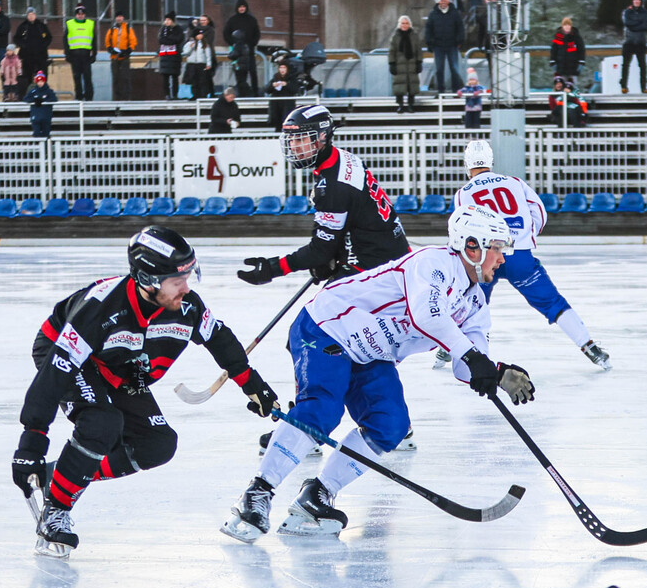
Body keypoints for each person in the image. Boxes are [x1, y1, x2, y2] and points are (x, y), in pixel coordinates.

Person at [221, 205, 535, 542]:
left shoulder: (474, 304)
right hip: (328, 327)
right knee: (322, 410)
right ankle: (257, 493)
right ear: (472, 246)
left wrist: (496, 372)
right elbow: (428, 316)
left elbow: (467, 363)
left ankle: (317, 494)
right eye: (497, 248)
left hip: (371, 354)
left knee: (390, 425)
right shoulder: (434, 264)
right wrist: (473, 358)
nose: (502, 259)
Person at [14, 226, 279, 557]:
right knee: (101, 423)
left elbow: (219, 339)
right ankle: (56, 509)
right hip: (65, 354)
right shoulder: (101, 308)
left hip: (119, 365)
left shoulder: (187, 306)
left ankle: (62, 474)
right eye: (177, 280)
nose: (187, 288)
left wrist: (253, 385)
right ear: (148, 280)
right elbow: (54, 376)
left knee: (157, 444)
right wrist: (31, 443)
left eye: (188, 276)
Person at [453, 140, 611, 370]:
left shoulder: (464, 193)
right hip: (519, 255)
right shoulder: (514, 182)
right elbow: (539, 212)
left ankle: (456, 351)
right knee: (552, 302)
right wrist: (525, 238)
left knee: (472, 305)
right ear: (491, 160)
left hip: (486, 257)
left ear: (466, 164)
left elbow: (462, 226)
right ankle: (590, 347)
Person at [238, 104, 410, 288]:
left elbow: (320, 250)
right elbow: (354, 219)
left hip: (377, 269)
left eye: (300, 139)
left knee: (321, 306)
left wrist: (273, 268)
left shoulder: (333, 187)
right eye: (291, 139)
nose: (293, 146)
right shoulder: (343, 158)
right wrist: (335, 254)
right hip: (390, 254)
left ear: (322, 137)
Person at [425, 0, 466, 94]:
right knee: (439, 69)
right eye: (441, 1)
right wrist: (430, 43)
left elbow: (460, 28)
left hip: (452, 45)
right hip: (438, 46)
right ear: (438, 2)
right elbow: (428, 29)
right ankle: (440, 91)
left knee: (454, 69)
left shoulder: (455, 13)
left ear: (448, 2)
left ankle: (456, 91)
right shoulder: (433, 14)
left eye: (444, 1)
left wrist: (459, 41)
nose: (443, 3)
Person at [223, 0, 260, 98]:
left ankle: (255, 93)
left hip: (249, 51)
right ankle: (242, 93)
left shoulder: (252, 20)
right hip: (237, 53)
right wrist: (233, 43)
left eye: (243, 7)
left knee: (252, 72)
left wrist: (252, 43)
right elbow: (226, 33)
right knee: (239, 74)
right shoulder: (232, 20)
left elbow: (257, 34)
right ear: (237, 8)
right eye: (240, 7)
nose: (242, 8)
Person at [14, 7, 52, 98]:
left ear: (35, 15)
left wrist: (43, 45)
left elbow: (49, 37)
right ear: (27, 16)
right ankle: (27, 96)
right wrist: (24, 45)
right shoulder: (23, 26)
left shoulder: (41, 26)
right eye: (29, 15)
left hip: (41, 56)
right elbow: (16, 38)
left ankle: (43, 95)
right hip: (27, 57)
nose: (31, 16)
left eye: (32, 14)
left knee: (42, 76)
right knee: (26, 77)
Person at [388, 15, 423, 113]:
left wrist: (419, 62)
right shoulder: (395, 37)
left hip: (412, 64)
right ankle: (400, 105)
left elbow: (418, 50)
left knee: (411, 86)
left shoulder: (414, 36)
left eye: (407, 23)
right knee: (399, 85)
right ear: (400, 24)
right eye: (403, 23)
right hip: (399, 65)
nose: (405, 25)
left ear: (409, 24)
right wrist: (392, 63)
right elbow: (391, 51)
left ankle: (410, 105)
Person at [64, 4, 96, 101]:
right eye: (78, 14)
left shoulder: (90, 24)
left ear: (84, 15)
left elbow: (94, 40)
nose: (80, 16)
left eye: (82, 14)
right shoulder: (70, 24)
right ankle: (79, 97)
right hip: (74, 55)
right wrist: (67, 54)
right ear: (76, 15)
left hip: (86, 56)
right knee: (77, 78)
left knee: (87, 78)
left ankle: (89, 98)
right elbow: (65, 41)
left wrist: (94, 54)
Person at [621, 0, 647, 93]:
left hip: (640, 42)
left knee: (642, 65)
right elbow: (627, 23)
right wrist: (639, 22)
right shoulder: (627, 12)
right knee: (625, 65)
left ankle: (643, 86)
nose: (636, 2)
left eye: (638, 0)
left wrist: (634, 25)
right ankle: (624, 85)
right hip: (629, 41)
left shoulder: (645, 12)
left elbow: (645, 26)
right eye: (635, 0)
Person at [104, 12, 137, 102]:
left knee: (126, 78)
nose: (119, 18)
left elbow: (133, 41)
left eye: (120, 16)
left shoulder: (128, 29)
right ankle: (116, 99)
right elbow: (107, 43)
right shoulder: (111, 30)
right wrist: (111, 50)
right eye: (117, 17)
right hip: (114, 58)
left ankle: (127, 99)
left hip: (124, 58)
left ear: (123, 18)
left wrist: (127, 51)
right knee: (116, 79)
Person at [263, 60, 300, 130]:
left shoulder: (292, 78)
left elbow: (295, 90)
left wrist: (287, 85)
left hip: (287, 104)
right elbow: (267, 90)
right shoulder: (275, 77)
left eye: (284, 68)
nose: (282, 70)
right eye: (281, 68)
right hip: (276, 104)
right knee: (277, 122)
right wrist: (272, 86)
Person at [550, 16, 586, 85]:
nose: (567, 27)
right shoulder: (558, 37)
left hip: (573, 67)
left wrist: (581, 62)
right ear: (562, 26)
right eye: (565, 25)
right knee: (561, 85)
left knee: (572, 85)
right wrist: (552, 61)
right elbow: (554, 50)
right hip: (561, 67)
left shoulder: (576, 37)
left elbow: (581, 50)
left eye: (568, 25)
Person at [157, 12, 185, 100]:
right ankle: (167, 95)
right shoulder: (163, 29)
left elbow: (178, 39)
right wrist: (170, 40)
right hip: (165, 56)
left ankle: (175, 95)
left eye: (169, 20)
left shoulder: (178, 29)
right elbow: (161, 40)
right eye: (166, 20)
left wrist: (168, 39)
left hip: (175, 57)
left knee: (175, 77)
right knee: (165, 77)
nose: (167, 21)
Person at [183, 29, 216, 100]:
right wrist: (191, 47)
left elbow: (208, 55)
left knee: (202, 80)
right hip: (192, 64)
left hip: (201, 64)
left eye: (201, 34)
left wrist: (209, 64)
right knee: (194, 81)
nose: (200, 36)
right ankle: (195, 94)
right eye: (199, 34)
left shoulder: (205, 44)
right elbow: (186, 53)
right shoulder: (189, 44)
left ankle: (203, 95)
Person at [24, 71, 58, 138]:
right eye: (38, 81)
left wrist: (43, 100)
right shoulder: (33, 91)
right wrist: (34, 100)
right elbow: (26, 99)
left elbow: (54, 99)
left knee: (46, 134)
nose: (40, 83)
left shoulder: (49, 91)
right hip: (36, 116)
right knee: (36, 133)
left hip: (46, 116)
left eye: (42, 81)